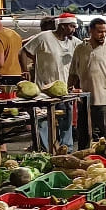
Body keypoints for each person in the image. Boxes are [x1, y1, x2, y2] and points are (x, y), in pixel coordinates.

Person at [23, 12, 80, 151]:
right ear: (62, 26)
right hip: (44, 89)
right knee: (43, 121)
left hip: (65, 89)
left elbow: (84, 52)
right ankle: (46, 150)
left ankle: (67, 149)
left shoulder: (73, 42)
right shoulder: (44, 37)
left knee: (65, 120)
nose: (74, 30)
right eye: (71, 26)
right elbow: (24, 51)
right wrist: (24, 71)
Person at [67, 18, 106, 159]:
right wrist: (67, 90)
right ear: (91, 31)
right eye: (99, 32)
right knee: (84, 133)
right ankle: (83, 160)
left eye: (105, 32)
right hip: (85, 100)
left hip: (105, 98)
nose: (103, 35)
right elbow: (73, 72)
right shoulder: (80, 48)